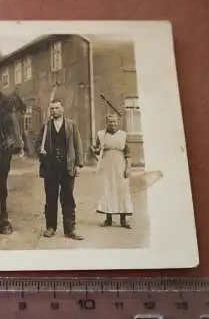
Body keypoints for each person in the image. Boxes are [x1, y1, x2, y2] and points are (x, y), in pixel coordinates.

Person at [34, 98, 84, 240]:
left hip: (67, 167)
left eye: (56, 108)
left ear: (62, 109)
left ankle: (70, 229)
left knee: (68, 199)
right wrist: (40, 150)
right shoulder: (46, 126)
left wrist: (79, 165)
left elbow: (77, 144)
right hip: (50, 168)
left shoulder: (71, 125)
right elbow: (37, 144)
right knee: (51, 199)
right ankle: (51, 227)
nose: (54, 111)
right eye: (52, 109)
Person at [90, 113, 134, 228]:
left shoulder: (123, 135)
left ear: (118, 122)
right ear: (106, 123)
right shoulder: (101, 135)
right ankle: (108, 219)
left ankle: (123, 220)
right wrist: (94, 150)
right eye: (110, 122)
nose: (113, 124)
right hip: (107, 167)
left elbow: (128, 154)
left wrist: (128, 168)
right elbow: (97, 151)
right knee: (107, 190)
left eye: (115, 122)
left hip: (120, 167)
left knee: (122, 191)